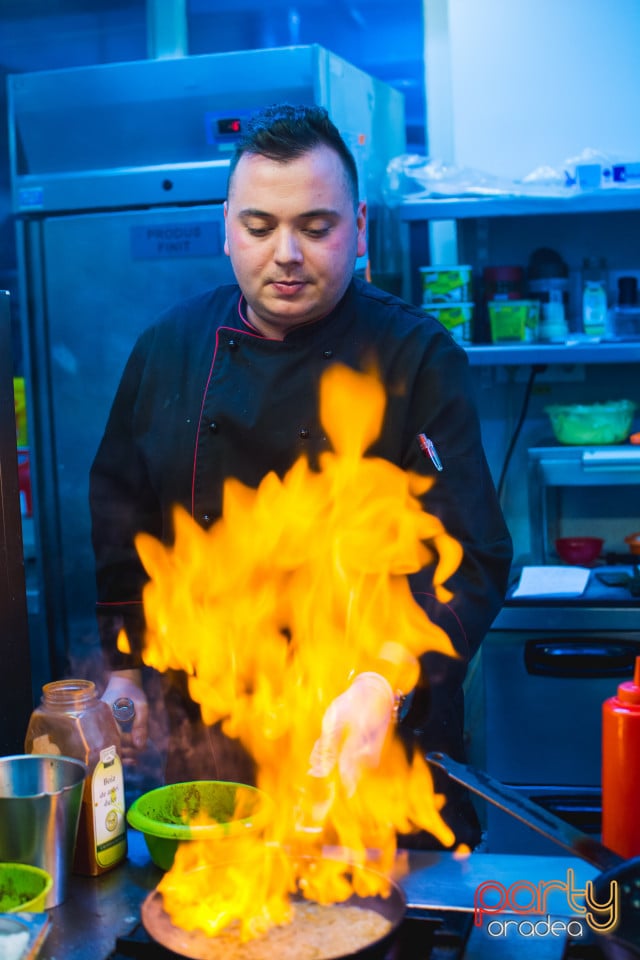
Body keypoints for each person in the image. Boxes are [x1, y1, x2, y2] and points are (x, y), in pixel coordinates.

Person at [90, 103, 512, 848]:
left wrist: (384, 680)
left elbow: (470, 556)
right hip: (213, 751)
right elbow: (122, 520)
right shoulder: (168, 349)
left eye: (316, 227)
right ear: (226, 229)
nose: (286, 253)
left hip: (375, 745)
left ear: (358, 232)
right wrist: (125, 671)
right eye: (259, 227)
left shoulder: (415, 357)